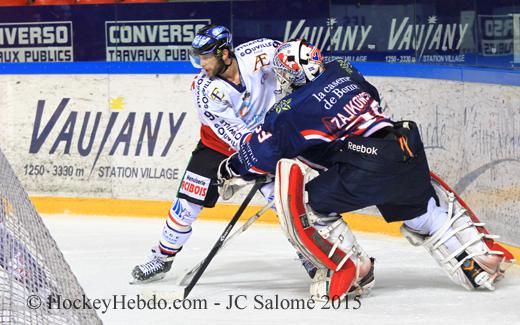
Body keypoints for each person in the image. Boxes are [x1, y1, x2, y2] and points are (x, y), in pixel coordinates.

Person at [218, 40, 514, 300]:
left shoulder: (289, 109)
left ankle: (355, 269)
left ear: (293, 75)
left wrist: (231, 168)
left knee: (309, 207)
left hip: (363, 165)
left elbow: (262, 153)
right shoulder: (342, 69)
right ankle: (474, 261)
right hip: (402, 148)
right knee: (421, 212)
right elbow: (363, 97)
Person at [131, 24, 281, 283]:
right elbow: (230, 132)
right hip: (217, 148)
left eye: (206, 56)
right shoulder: (203, 88)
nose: (201, 64)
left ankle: (310, 257)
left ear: (225, 54)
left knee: (285, 203)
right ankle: (161, 257)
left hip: (268, 141)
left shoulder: (258, 52)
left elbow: (293, 56)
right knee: (186, 205)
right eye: (198, 57)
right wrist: (259, 153)